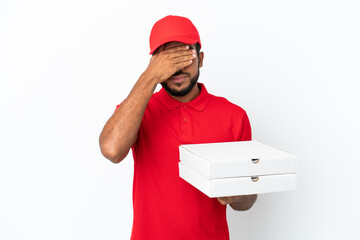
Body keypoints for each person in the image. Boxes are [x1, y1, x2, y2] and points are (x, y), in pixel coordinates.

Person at [99, 15, 257, 240]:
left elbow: (247, 200)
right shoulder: (138, 111)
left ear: (201, 59)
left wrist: (239, 195)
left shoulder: (234, 116)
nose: (177, 68)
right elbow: (111, 150)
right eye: (168, 59)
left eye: (185, 55)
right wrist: (150, 77)